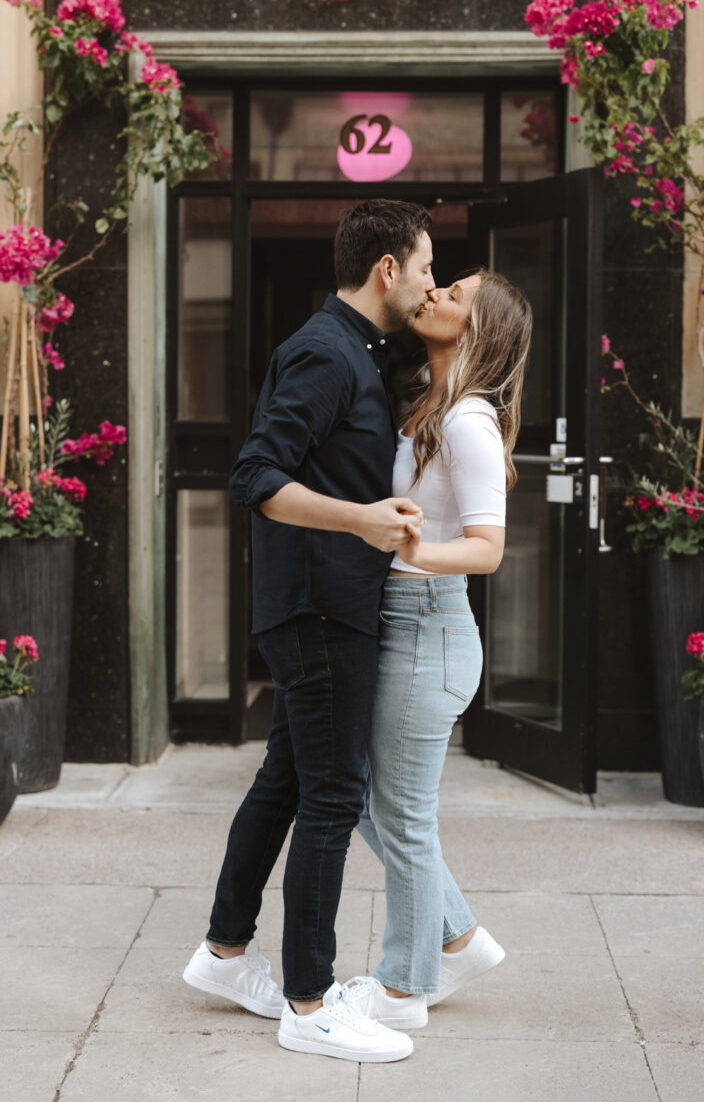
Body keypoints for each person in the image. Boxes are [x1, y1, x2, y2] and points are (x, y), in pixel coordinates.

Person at [182, 199, 435, 1063]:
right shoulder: (326, 353)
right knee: (334, 795)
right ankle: (309, 1000)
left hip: (326, 602)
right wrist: (359, 520)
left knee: (287, 783)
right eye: (427, 265)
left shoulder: (356, 352)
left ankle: (223, 954)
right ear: (388, 268)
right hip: (323, 605)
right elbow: (254, 472)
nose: (432, 282)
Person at [345, 268, 533, 1030]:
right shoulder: (434, 404)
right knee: (364, 798)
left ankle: (403, 988)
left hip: (428, 625)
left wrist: (404, 546)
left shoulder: (467, 421)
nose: (434, 295)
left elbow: (486, 549)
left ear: (476, 330)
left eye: (452, 295)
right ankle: (456, 936)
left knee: (404, 817)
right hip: (408, 622)